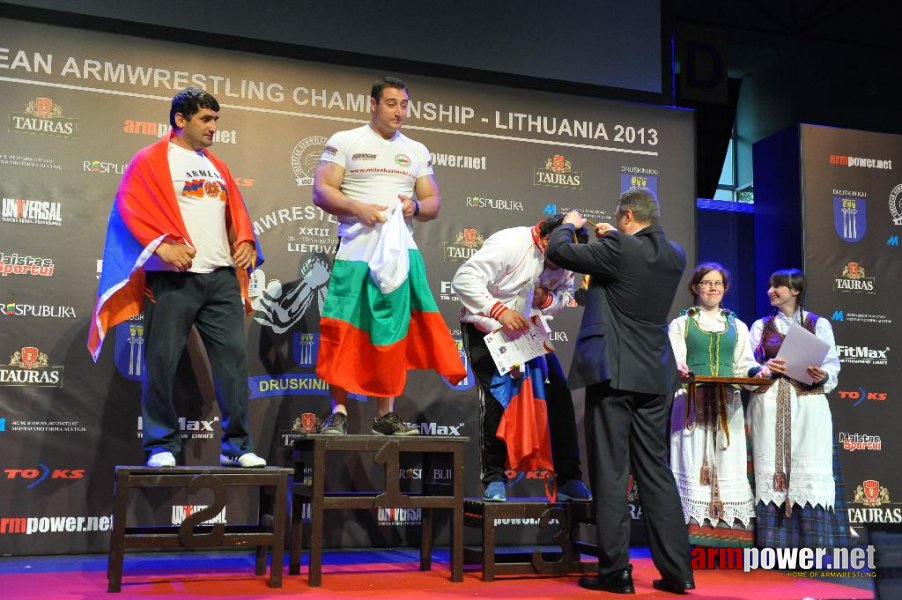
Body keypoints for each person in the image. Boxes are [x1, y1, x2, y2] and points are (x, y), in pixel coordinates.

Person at [88, 88, 266, 469]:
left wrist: (247, 243)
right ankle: (159, 445)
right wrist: (160, 249)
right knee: (161, 362)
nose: (213, 127)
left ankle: (236, 446)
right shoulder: (152, 160)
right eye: (206, 119)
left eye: (216, 120)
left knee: (234, 364)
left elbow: (236, 213)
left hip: (219, 277)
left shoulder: (217, 165)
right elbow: (128, 211)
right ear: (180, 120)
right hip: (172, 277)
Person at [545, 188, 695, 595]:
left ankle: (616, 572)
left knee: (611, 473)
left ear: (627, 215)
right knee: (656, 472)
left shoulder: (618, 248)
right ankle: (678, 572)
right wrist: (615, 236)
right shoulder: (675, 254)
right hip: (656, 375)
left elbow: (561, 253)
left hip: (615, 374)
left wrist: (569, 225)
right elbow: (625, 269)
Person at [313, 76, 464, 435]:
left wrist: (414, 204)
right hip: (355, 251)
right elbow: (321, 191)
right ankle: (339, 411)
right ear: (373, 104)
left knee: (392, 333)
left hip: (399, 254)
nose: (399, 111)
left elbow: (433, 202)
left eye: (404, 104)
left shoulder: (416, 149)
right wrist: (357, 208)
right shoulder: (346, 140)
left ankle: (385, 415)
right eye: (392, 103)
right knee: (342, 329)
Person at [451, 215, 592, 503]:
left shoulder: (564, 253)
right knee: (497, 400)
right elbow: (463, 279)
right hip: (486, 327)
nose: (563, 265)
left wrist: (546, 300)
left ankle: (568, 479)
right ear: (543, 240)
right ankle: (494, 478)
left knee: (559, 397)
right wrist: (499, 310)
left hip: (527, 332)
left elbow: (565, 294)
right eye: (558, 256)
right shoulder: (510, 243)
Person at [748, 269, 850, 548]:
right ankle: (773, 543)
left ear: (795, 290)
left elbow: (832, 364)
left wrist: (823, 375)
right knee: (772, 466)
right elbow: (748, 365)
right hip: (771, 403)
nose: (771, 290)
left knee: (808, 464)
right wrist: (765, 368)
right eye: (769, 286)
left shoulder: (819, 324)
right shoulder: (760, 326)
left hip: (808, 403)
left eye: (778, 286)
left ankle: (813, 542)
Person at [668, 263, 762, 548]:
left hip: (727, 405)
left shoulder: (737, 325)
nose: (712, 288)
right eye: (706, 283)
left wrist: (758, 373)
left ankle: (728, 540)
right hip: (690, 404)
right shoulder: (682, 323)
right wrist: (680, 370)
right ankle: (689, 540)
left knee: (727, 462)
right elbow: (674, 359)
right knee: (692, 461)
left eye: (718, 283)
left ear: (725, 288)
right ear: (695, 287)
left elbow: (745, 364)